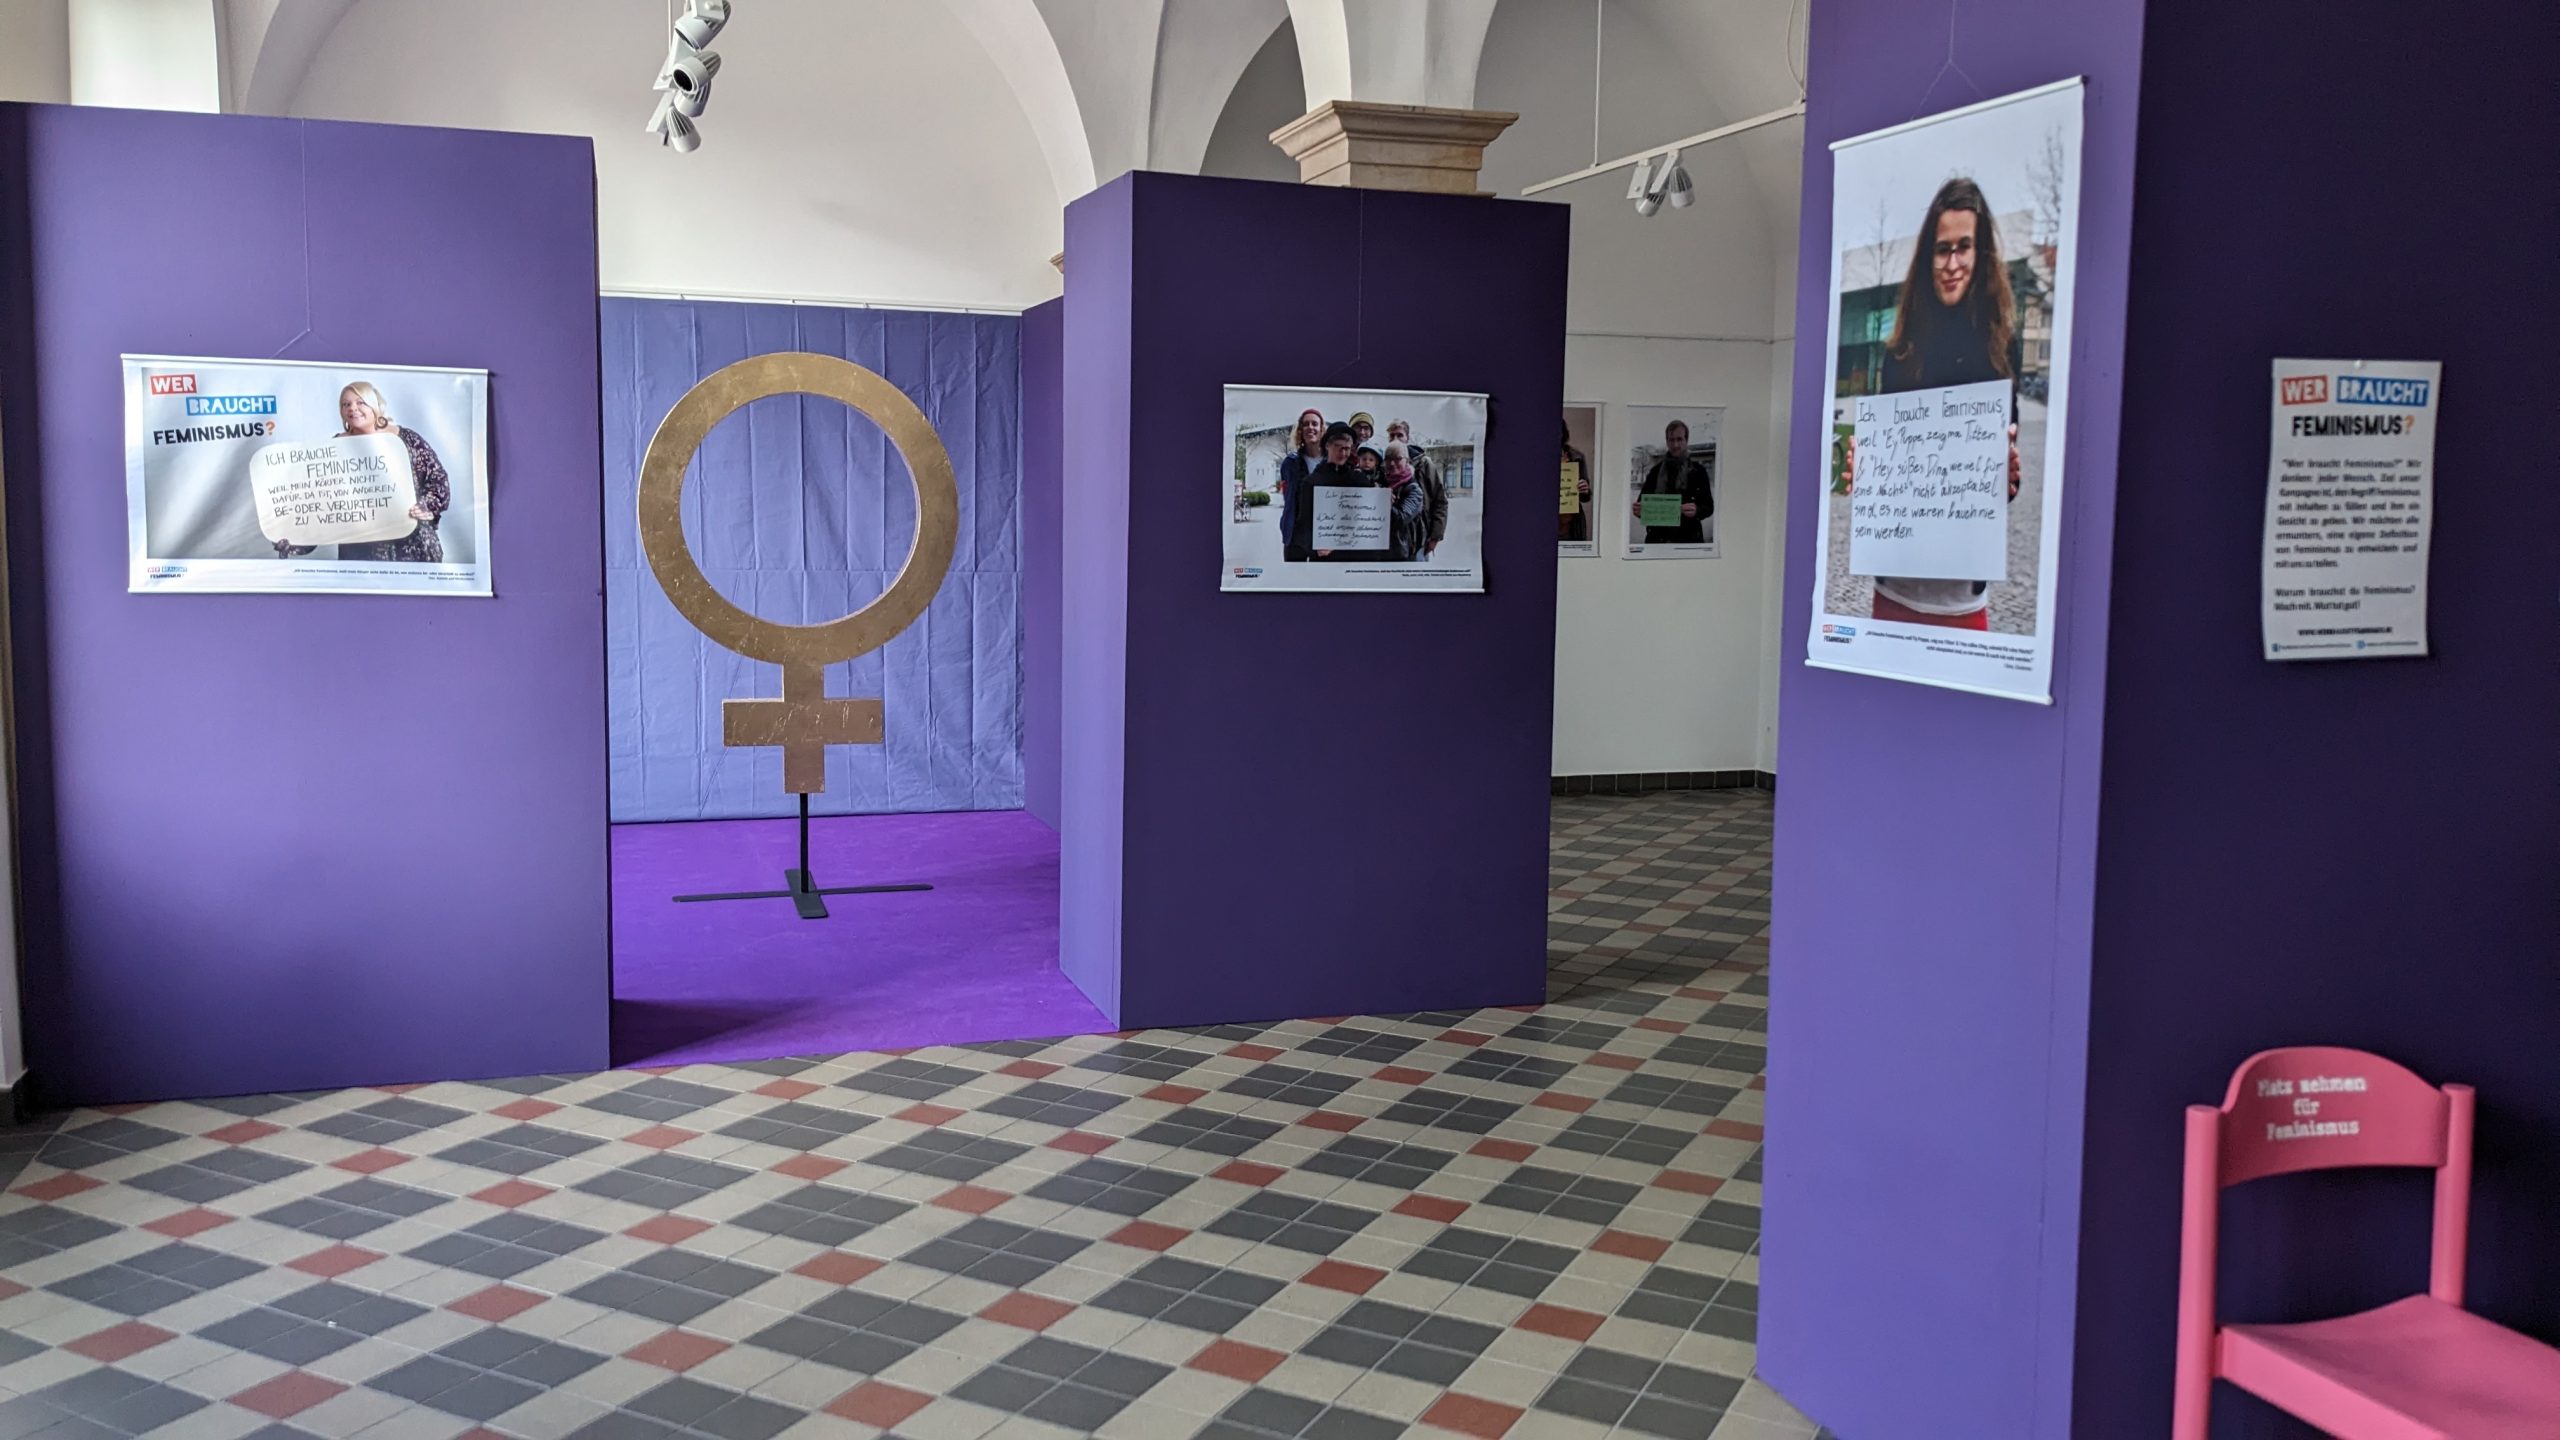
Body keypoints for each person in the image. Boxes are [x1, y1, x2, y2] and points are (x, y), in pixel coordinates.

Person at [1839, 176, 2026, 630]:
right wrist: (1865, 469)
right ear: (1928, 256)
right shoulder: (1901, 351)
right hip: (1896, 588)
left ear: (1982, 254)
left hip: (1961, 598)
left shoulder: (2001, 349)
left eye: (1964, 247)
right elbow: (1887, 463)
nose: (1952, 263)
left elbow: (2004, 468)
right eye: (1942, 249)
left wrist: (2008, 477)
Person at [274, 381, 451, 562]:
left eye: (360, 402)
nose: (352, 408)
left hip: (413, 545)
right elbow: (320, 499)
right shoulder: (334, 447)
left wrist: (426, 505)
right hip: (360, 551)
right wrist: (294, 538)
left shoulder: (406, 439)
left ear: (374, 405)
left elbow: (437, 480)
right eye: (346, 404)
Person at [1285, 422, 1371, 561]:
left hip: (1354, 559)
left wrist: (1383, 499)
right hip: (1325, 561)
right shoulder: (1311, 482)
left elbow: (1371, 514)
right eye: (1338, 447)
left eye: (1347, 448)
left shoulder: (1358, 480)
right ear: (1327, 446)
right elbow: (1303, 527)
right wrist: (1314, 547)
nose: (1343, 453)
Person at [1631, 418, 1713, 545]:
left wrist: (1697, 510)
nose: (1675, 445)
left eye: (1679, 439)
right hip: (1657, 541)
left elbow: (1709, 507)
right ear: (1667, 441)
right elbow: (1642, 503)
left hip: (1689, 540)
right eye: (1671, 440)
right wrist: (1639, 510)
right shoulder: (1655, 471)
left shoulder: (1698, 471)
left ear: (1686, 441)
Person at [1388, 419, 1448, 560]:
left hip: (1420, 538)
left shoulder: (1424, 463)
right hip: (1394, 541)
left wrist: (1435, 536)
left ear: (1407, 438)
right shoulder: (1385, 464)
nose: (1395, 439)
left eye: (1400, 435)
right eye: (1392, 435)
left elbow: (1440, 501)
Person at [1274, 408, 1323, 547]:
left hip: (1323, 531)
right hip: (1295, 533)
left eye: (1315, 424)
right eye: (1306, 424)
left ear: (1321, 430)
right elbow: (1287, 497)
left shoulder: (1330, 461)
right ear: (1300, 430)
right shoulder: (1290, 463)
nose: (1310, 427)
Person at [1382, 441, 1431, 561]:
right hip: (1381, 553)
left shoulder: (1414, 490)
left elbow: (1401, 519)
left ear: (1407, 461)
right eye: (1388, 459)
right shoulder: (1381, 482)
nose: (1392, 463)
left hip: (1403, 555)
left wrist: (1383, 501)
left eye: (1398, 459)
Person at [1558, 421, 1592, 544]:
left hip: (1570, 525)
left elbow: (1585, 497)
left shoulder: (1576, 457)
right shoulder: (1535, 458)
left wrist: (1585, 490)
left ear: (1563, 433)